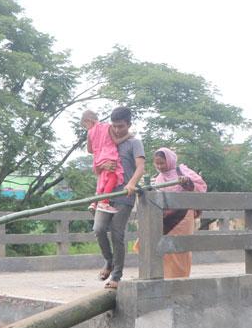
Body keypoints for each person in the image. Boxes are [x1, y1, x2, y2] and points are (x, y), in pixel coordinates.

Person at [93, 106, 146, 290]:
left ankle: (116, 276)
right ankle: (109, 261)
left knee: (117, 234)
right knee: (99, 229)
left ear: (129, 124)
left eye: (121, 126)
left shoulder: (135, 143)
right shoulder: (108, 141)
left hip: (125, 194)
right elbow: (96, 167)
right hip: (106, 193)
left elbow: (140, 167)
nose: (117, 130)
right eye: (114, 126)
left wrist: (131, 183)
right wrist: (102, 167)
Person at [152, 147, 207, 278]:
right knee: (159, 245)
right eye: (157, 163)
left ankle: (180, 279)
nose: (159, 166)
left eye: (162, 163)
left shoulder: (182, 171)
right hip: (166, 218)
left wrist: (187, 182)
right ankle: (164, 276)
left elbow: (201, 186)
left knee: (180, 248)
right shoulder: (158, 178)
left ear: (170, 161)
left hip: (183, 217)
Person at [82, 109, 123, 213]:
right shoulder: (107, 127)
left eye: (85, 125)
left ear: (88, 120)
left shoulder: (90, 132)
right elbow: (116, 140)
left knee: (102, 181)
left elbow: (90, 150)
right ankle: (104, 202)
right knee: (112, 177)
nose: (86, 127)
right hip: (109, 154)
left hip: (98, 159)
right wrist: (128, 136)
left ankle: (94, 202)